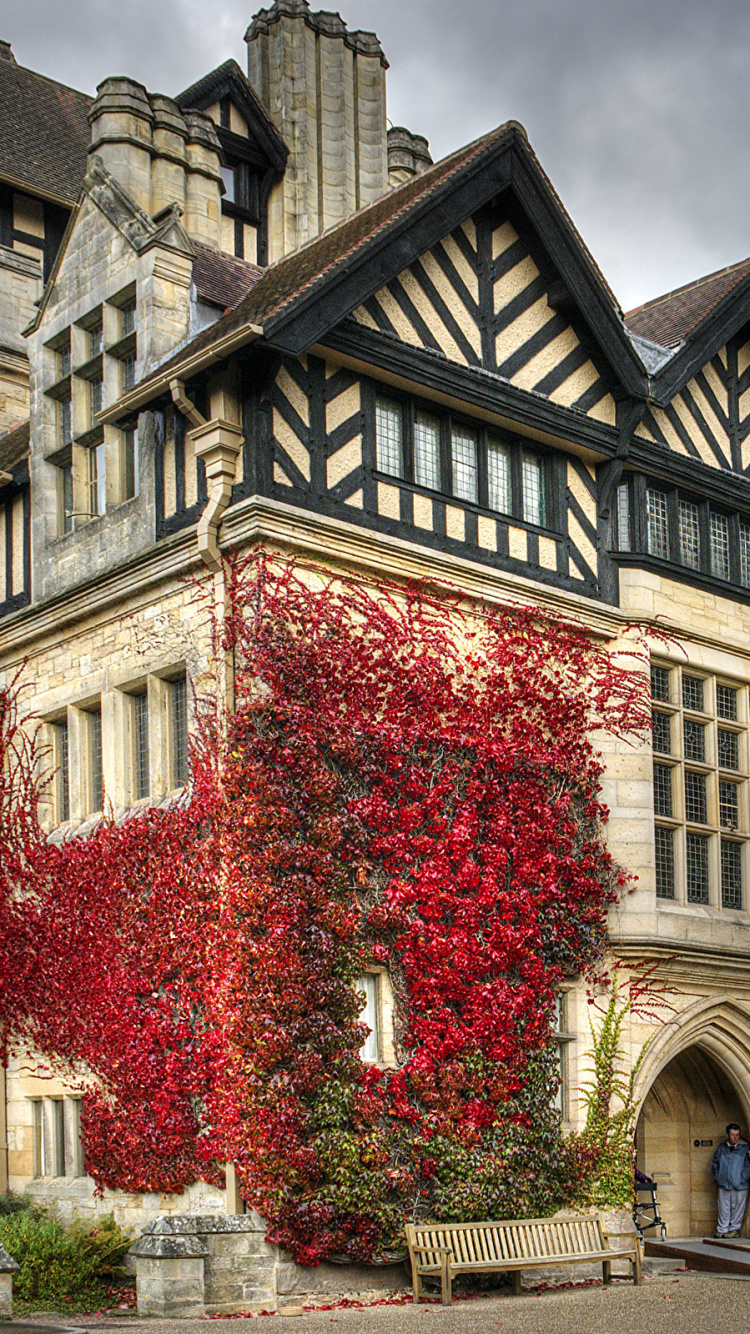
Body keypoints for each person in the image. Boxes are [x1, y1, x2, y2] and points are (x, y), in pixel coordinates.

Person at [711, 1123, 750, 1238]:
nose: (735, 1138)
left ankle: (734, 1229)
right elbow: (715, 1164)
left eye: (737, 1135)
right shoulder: (721, 1148)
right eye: (733, 1135)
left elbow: (748, 1166)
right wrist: (718, 1177)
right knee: (723, 1207)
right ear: (727, 1135)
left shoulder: (745, 1148)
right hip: (724, 1183)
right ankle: (722, 1229)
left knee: (738, 1208)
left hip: (740, 1185)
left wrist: (742, 1178)